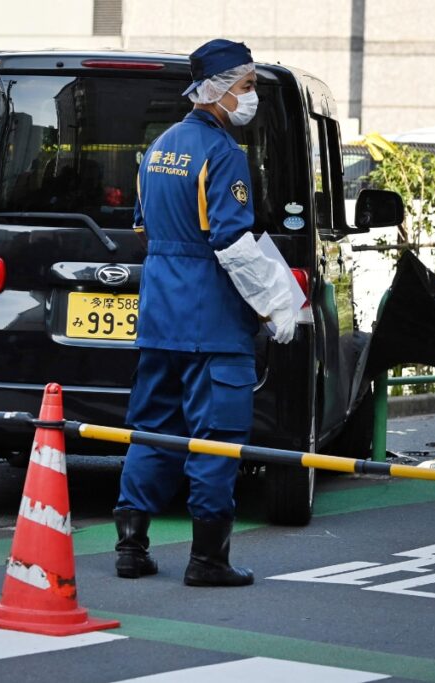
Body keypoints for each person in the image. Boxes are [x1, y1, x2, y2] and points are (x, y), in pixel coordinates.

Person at [113, 39, 295, 587]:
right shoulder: (224, 155)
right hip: (213, 324)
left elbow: (146, 232)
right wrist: (275, 306)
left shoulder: (159, 148)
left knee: (153, 430)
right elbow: (233, 243)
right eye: (247, 86)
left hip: (160, 316)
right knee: (217, 440)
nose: (252, 96)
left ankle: (131, 547)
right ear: (218, 89)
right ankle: (207, 559)